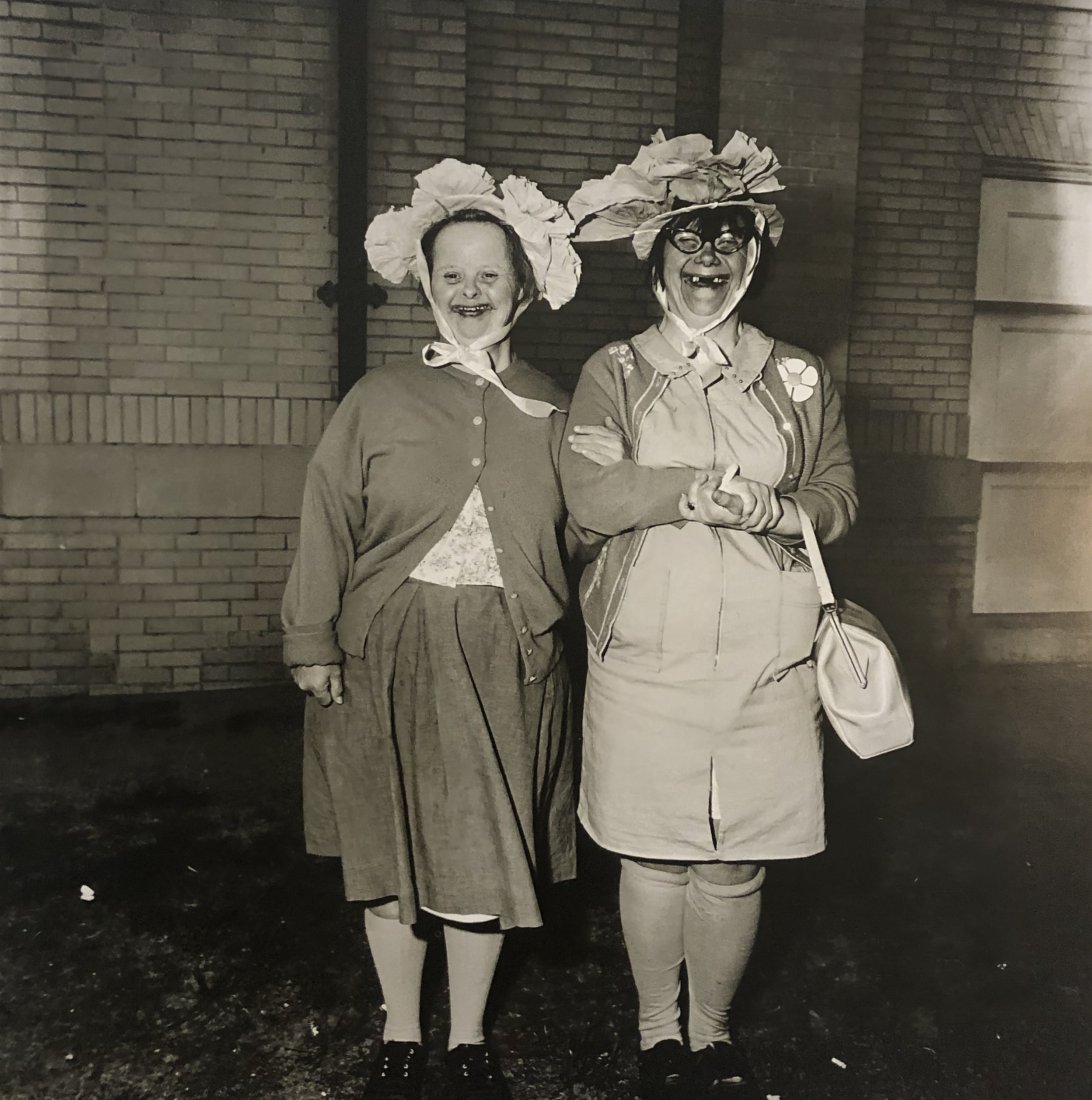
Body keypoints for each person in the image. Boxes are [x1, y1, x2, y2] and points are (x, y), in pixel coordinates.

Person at [282, 158, 588, 1100]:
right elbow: (326, 519)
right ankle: (401, 1032)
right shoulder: (376, 397)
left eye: (488, 275)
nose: (468, 292)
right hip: (386, 648)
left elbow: (587, 534)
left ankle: (465, 1040)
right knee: (389, 849)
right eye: (451, 274)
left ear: (524, 288)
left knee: (480, 848)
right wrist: (312, 641)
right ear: (425, 284)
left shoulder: (557, 405)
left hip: (508, 653)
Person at [560, 131, 857, 1099]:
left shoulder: (800, 376)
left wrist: (783, 508)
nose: (709, 255)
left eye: (730, 236)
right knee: (655, 850)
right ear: (657, 252)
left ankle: (714, 1033)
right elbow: (591, 495)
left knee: (736, 864)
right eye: (689, 234)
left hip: (771, 664)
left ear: (755, 255)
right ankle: (658, 1033)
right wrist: (689, 490)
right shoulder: (615, 369)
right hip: (646, 654)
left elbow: (840, 494)